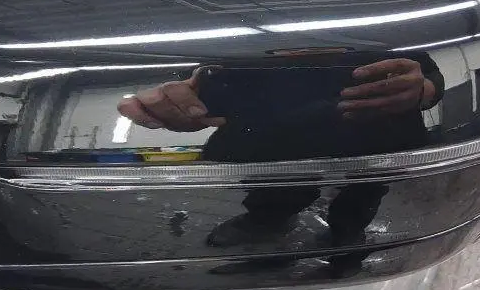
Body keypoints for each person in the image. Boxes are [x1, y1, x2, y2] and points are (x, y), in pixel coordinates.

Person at [118, 53, 444, 250]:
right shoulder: (243, 10)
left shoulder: (379, 10)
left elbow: (428, 69)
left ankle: (348, 231)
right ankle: (266, 220)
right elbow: (204, 72)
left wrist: (423, 90)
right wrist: (180, 96)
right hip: (277, 130)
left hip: (373, 127)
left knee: (365, 190)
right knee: (276, 186)